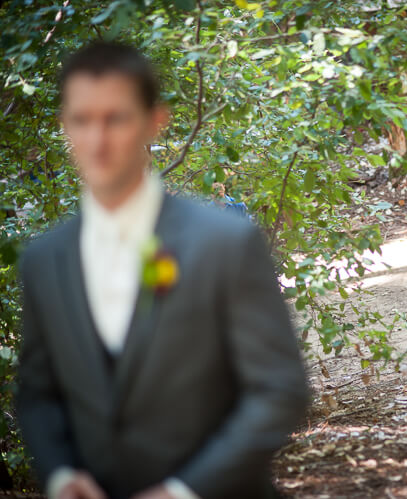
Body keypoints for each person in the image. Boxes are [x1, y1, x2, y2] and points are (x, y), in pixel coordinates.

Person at [15, 41, 310, 499]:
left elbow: (280, 390)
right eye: (81, 120)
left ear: (155, 121)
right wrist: (60, 473)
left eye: (116, 118)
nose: (97, 140)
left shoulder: (225, 243)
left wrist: (183, 491)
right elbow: (37, 395)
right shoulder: (43, 260)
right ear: (64, 125)